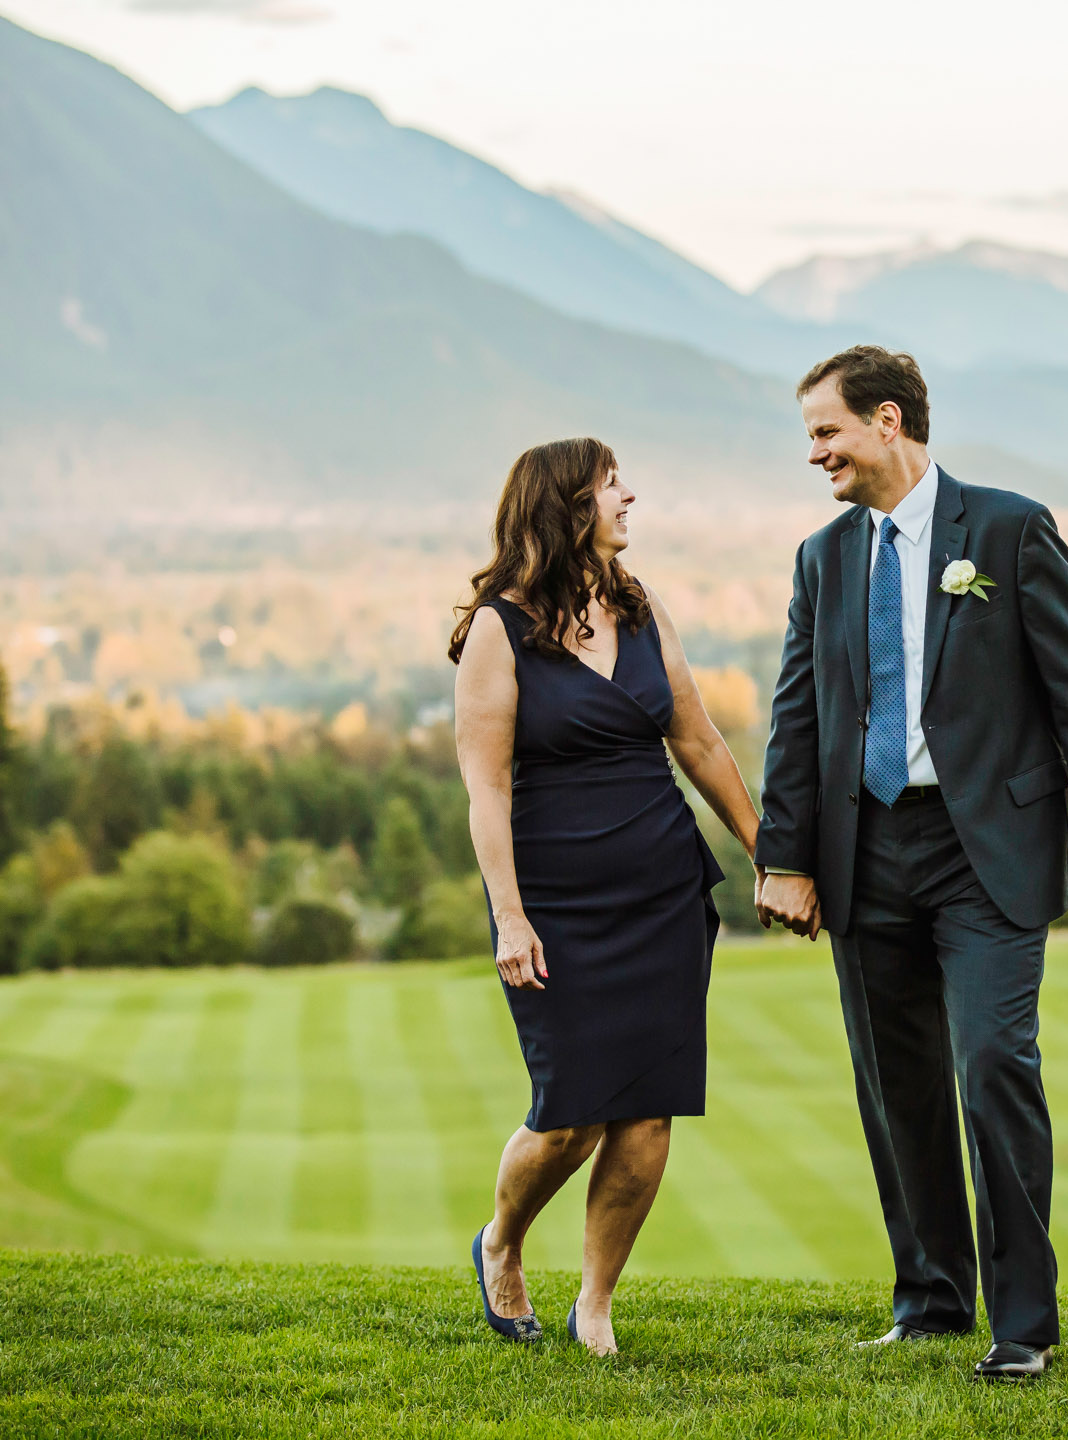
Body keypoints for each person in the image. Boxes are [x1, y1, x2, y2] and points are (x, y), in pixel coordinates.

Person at [754, 347, 1068, 1381]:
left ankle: (1024, 1326)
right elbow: (799, 718)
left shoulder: (1008, 530)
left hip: (988, 851)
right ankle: (929, 1299)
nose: (815, 454)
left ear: (889, 423)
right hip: (864, 849)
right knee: (897, 1082)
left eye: (827, 433)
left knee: (992, 1065)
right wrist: (783, 857)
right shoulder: (822, 558)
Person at [450, 437, 761, 1352]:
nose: (630, 495)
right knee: (569, 1114)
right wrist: (509, 915)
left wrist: (764, 851)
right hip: (554, 907)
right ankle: (501, 1243)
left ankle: (595, 1307)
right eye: (611, 483)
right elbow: (488, 788)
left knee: (649, 1110)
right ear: (568, 506)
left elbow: (697, 741)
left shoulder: (639, 603)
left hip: (663, 890)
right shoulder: (496, 632)